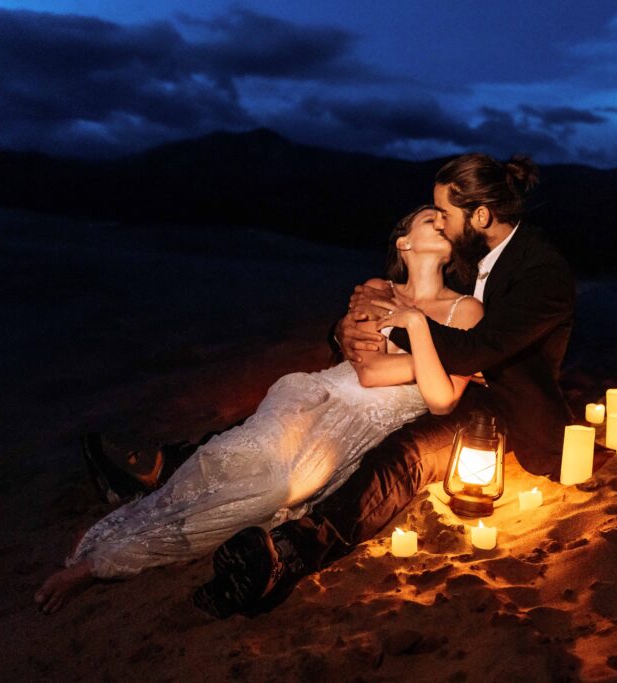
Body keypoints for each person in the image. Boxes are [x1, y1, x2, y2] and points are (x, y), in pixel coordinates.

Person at [34, 206, 484, 614]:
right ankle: (102, 555)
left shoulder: (468, 312)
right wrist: (439, 358)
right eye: (430, 218)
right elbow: (367, 372)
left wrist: (416, 327)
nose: (442, 221)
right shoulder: (375, 290)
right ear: (404, 242)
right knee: (237, 461)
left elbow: (443, 400)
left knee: (279, 490)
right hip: (321, 397)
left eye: (445, 219)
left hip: (363, 426)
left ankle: (116, 550)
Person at [197, 152, 575, 618]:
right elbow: (409, 293)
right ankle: (183, 462)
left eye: (444, 215)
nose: (438, 224)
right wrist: (347, 326)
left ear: (480, 216)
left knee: (402, 456)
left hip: (497, 406)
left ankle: (292, 550)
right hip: (432, 382)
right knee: (298, 413)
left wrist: (394, 322)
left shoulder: (544, 275)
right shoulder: (464, 256)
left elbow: (475, 350)